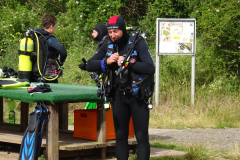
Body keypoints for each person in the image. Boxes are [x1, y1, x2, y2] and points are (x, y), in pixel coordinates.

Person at [86, 16, 155, 160]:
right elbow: (89, 64)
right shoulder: (107, 44)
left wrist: (128, 62)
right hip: (118, 96)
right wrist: (106, 61)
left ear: (123, 29)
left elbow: (150, 68)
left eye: (116, 31)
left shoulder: (137, 42)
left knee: (141, 136)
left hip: (137, 96)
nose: (113, 35)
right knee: (120, 136)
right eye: (110, 32)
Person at [31, 14, 67, 83]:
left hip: (35, 73)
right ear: (51, 26)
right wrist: (61, 61)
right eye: (55, 26)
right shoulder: (49, 39)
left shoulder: (36, 37)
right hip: (48, 75)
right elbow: (63, 52)